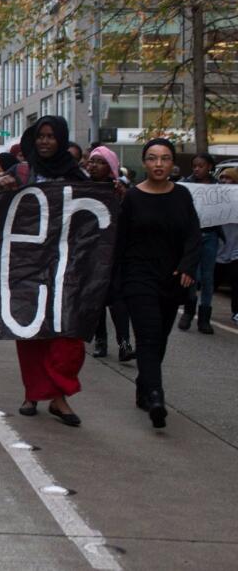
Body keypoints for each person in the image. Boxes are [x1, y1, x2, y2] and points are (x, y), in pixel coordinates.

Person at [0, 115, 87, 426]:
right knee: (31, 330)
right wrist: (1, 188)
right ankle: (32, 393)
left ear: (61, 139)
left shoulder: (79, 177)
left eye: (51, 136)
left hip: (65, 267)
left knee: (66, 333)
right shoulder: (20, 172)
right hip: (27, 265)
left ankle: (60, 396)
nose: (45, 141)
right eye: (40, 136)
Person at [116, 138, 200, 429]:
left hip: (172, 279)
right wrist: (116, 280)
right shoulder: (133, 198)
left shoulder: (182, 196)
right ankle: (156, 396)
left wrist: (188, 265)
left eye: (165, 158)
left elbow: (193, 234)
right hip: (139, 278)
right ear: (145, 162)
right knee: (149, 337)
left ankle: (143, 384)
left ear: (172, 163)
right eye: (152, 158)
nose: (159, 164)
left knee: (160, 337)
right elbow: (120, 241)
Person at [85, 146, 132, 360]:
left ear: (111, 167)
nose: (93, 165)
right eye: (92, 161)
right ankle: (100, 341)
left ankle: (124, 344)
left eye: (100, 162)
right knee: (97, 299)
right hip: (89, 253)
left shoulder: (119, 191)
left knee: (117, 299)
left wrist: (123, 198)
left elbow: (131, 219)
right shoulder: (82, 188)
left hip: (114, 253)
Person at [178, 153, 220, 335]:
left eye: (201, 166)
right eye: (194, 166)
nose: (197, 169)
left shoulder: (219, 187)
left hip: (211, 235)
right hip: (192, 236)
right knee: (192, 275)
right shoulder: (187, 185)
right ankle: (188, 310)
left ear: (209, 166)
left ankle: (205, 316)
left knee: (208, 276)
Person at [214, 168, 238, 326]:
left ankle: (236, 311)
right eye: (222, 178)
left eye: (228, 178)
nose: (224, 181)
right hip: (219, 249)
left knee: (237, 281)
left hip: (236, 249)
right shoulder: (214, 198)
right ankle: (201, 309)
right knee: (211, 281)